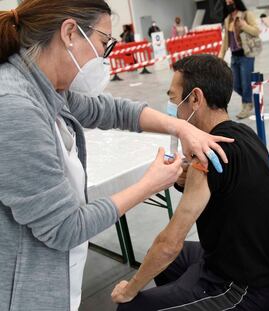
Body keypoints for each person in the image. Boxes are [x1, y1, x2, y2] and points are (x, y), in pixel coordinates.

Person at [0, 2, 233, 311]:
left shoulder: (47, 87)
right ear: (70, 32)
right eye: (103, 43)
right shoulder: (15, 107)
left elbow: (110, 110)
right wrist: (148, 184)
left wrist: (180, 128)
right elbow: (65, 227)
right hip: (25, 292)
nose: (103, 58)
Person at [111, 54, 269, 310]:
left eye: (173, 99)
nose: (172, 109)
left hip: (243, 287)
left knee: (132, 306)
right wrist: (185, 179)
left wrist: (130, 289)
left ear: (195, 99)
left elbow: (169, 244)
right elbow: (229, 189)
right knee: (157, 258)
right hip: (242, 259)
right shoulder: (242, 133)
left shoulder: (206, 155)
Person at [219, 0, 260, 119]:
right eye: (226, 2)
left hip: (246, 55)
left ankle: (246, 105)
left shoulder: (246, 15)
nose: (228, 4)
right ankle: (250, 100)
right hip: (234, 56)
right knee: (235, 84)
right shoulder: (227, 20)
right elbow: (226, 41)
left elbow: (257, 31)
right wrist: (220, 57)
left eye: (230, 1)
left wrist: (245, 26)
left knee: (246, 83)